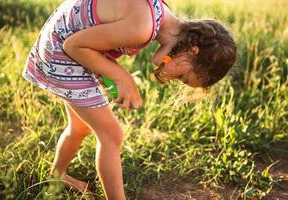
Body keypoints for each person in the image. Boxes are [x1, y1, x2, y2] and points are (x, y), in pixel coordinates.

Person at [22, 0, 237, 199]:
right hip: (61, 52)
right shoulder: (142, 27)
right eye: (182, 76)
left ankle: (57, 174)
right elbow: (73, 46)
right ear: (193, 50)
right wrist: (121, 76)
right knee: (112, 135)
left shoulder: (158, 15)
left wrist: (111, 73)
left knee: (81, 127)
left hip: (60, 43)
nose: (172, 79)